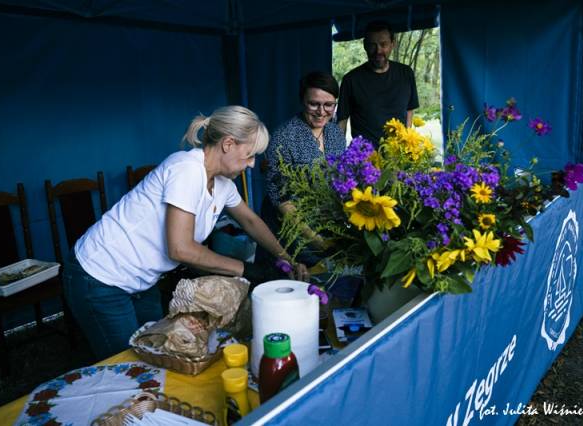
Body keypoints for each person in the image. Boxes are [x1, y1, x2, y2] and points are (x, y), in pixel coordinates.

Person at [63, 105, 308, 360]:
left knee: (157, 356)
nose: (252, 164)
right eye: (249, 155)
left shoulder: (222, 183)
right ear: (228, 144)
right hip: (100, 276)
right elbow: (180, 248)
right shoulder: (187, 169)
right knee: (129, 366)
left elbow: (250, 221)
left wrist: (286, 259)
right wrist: (247, 270)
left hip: (141, 281)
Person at [263, 71, 347, 261]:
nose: (321, 111)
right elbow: (281, 200)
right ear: (302, 101)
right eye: (314, 104)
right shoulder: (283, 137)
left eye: (329, 105)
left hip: (326, 226)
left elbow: (341, 181)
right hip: (291, 231)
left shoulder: (335, 133)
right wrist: (317, 241)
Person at [337, 20, 419, 145]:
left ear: (393, 44)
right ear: (364, 45)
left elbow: (409, 110)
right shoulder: (351, 80)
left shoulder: (406, 73)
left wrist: (406, 144)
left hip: (398, 155)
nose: (378, 51)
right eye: (372, 45)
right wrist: (339, 155)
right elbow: (342, 121)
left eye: (383, 44)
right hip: (364, 158)